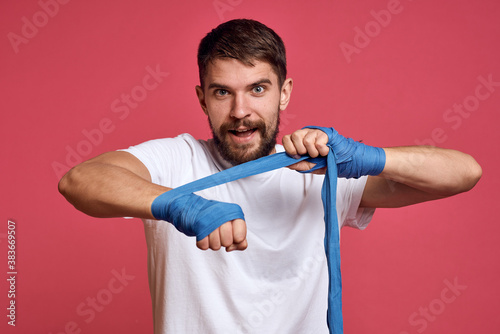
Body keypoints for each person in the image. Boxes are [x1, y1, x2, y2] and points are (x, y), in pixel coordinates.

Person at [58, 19, 482, 334]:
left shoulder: (319, 170)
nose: (241, 111)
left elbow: (464, 173)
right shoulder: (177, 161)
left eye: (258, 89)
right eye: (223, 92)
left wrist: (370, 157)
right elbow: (80, 180)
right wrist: (178, 203)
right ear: (202, 99)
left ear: (285, 92)